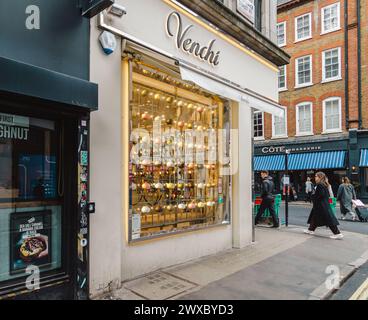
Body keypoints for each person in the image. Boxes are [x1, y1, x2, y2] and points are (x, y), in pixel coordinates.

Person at [304, 172, 343, 239]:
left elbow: (321, 195)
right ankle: (310, 230)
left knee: (329, 220)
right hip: (322, 205)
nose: (315, 177)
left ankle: (337, 233)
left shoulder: (320, 185)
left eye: (316, 176)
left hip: (322, 205)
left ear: (320, 177)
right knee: (314, 217)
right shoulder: (324, 184)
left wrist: (314, 196)